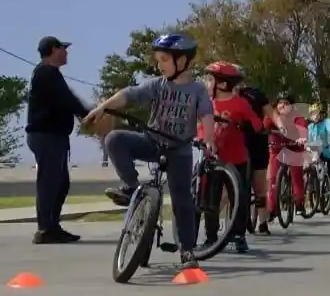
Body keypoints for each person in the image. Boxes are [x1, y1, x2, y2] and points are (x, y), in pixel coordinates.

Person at [84, 33, 215, 269]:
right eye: (158, 59)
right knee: (114, 139)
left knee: (182, 200)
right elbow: (128, 95)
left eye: (164, 59)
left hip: (179, 150)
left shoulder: (198, 90)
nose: (159, 64)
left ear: (183, 61)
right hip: (151, 141)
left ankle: (187, 250)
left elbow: (206, 114)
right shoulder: (157, 85)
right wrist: (102, 108)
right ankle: (132, 189)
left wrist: (210, 140)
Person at [25, 36, 88, 244]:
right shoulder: (46, 73)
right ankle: (45, 229)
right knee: (50, 182)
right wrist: (89, 115)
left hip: (54, 136)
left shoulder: (50, 74)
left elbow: (65, 100)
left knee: (60, 183)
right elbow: (68, 99)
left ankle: (52, 226)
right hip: (46, 136)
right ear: (54, 50)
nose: (67, 53)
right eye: (64, 48)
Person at [199, 62, 261, 254]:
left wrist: (248, 126)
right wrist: (202, 139)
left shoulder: (239, 103)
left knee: (239, 198)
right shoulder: (205, 103)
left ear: (223, 84)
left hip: (236, 158)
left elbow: (257, 123)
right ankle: (211, 236)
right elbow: (199, 126)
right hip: (213, 158)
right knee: (211, 198)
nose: (206, 83)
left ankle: (238, 235)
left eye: (210, 80)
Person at [235, 79, 273, 235]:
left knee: (259, 187)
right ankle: (232, 223)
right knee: (234, 186)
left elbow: (270, 113)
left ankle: (263, 222)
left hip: (258, 141)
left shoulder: (256, 93)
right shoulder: (224, 94)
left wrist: (274, 125)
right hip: (236, 142)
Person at [266, 94, 308, 219]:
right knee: (273, 178)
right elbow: (265, 124)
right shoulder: (273, 115)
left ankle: (299, 203)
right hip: (276, 148)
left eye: (286, 103)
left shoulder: (296, 116)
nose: (282, 105)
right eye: (280, 103)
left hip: (294, 148)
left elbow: (302, 126)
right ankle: (272, 208)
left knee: (296, 175)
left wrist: (302, 137)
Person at [304, 103, 330, 217]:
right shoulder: (310, 127)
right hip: (319, 152)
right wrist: (306, 145)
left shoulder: (327, 122)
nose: (315, 116)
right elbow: (308, 140)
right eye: (312, 114)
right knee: (311, 166)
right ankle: (315, 193)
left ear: (322, 114)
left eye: (317, 113)